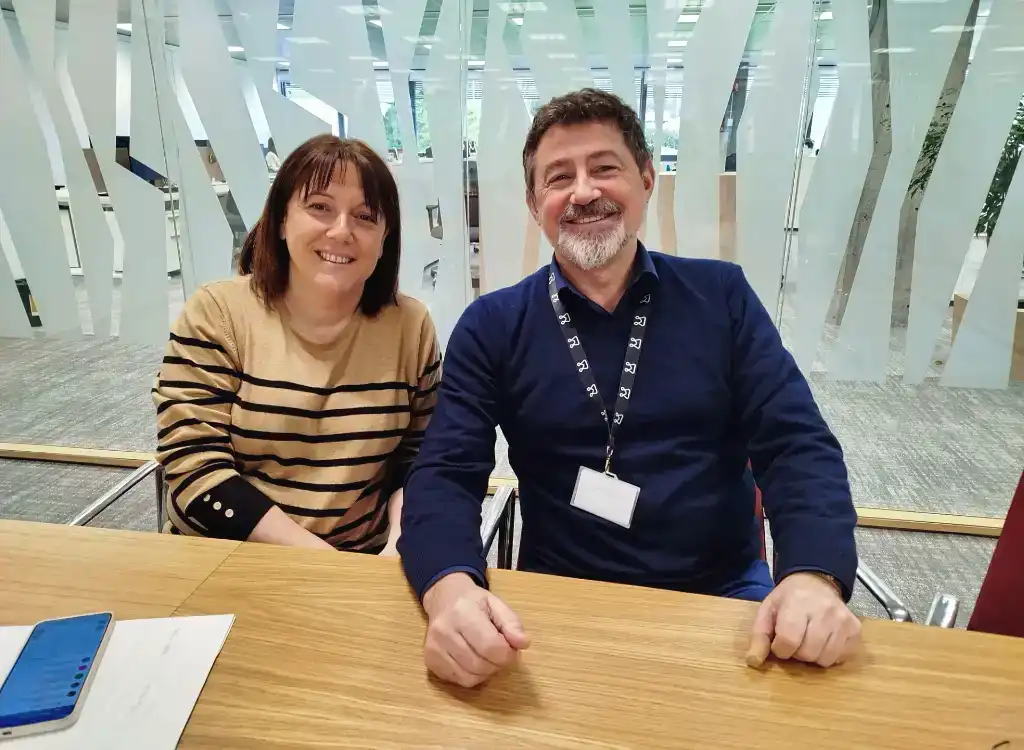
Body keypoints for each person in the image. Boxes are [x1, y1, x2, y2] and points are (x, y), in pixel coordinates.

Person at [399, 89, 860, 687]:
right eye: (558, 177)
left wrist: (812, 576)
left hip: (720, 593)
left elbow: (796, 444)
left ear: (645, 179)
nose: (583, 191)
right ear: (535, 203)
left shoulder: (721, 297)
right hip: (558, 597)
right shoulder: (493, 325)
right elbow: (445, 471)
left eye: (604, 168)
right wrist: (449, 588)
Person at [153, 134, 440, 556]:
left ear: (384, 239)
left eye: (364, 216)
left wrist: (399, 543)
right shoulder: (218, 313)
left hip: (362, 563)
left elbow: (418, 458)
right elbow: (194, 463)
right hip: (225, 558)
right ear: (282, 221)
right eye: (320, 207)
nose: (341, 230)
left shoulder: (410, 326)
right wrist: (323, 564)